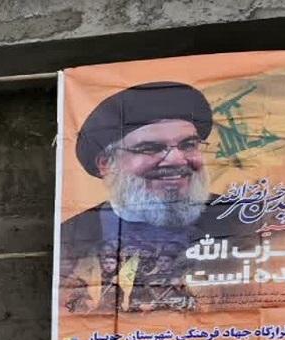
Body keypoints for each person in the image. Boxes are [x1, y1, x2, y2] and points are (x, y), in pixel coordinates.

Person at [57, 81, 260, 316]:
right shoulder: (70, 237)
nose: (177, 159)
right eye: (150, 148)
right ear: (106, 164)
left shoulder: (245, 221)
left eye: (188, 145)